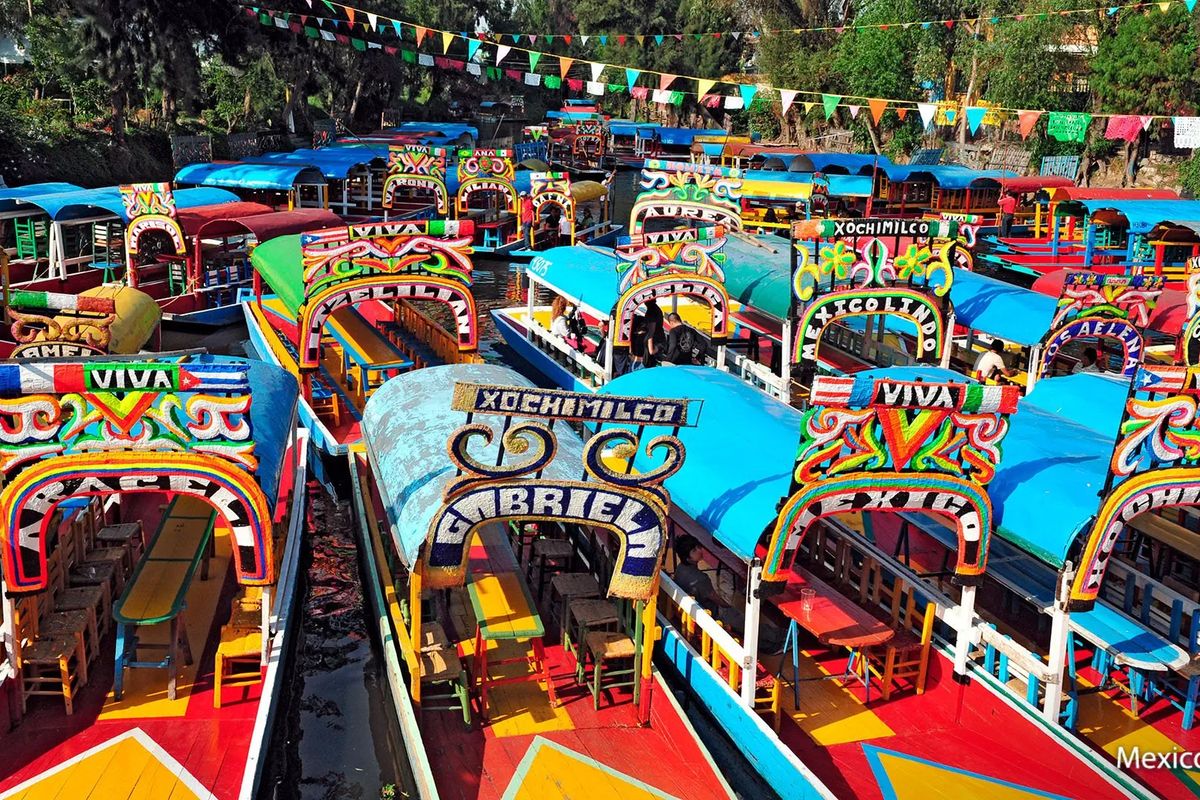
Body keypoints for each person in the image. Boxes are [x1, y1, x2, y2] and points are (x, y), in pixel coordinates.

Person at [672, 534, 727, 616]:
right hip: (705, 614)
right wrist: (729, 607)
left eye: (698, 547)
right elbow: (717, 600)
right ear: (688, 558)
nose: (700, 551)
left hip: (683, 609)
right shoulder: (701, 579)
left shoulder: (680, 568)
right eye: (694, 550)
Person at [641, 301, 666, 367]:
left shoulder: (651, 310)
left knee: (651, 362)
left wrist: (649, 339)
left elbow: (652, 328)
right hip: (658, 338)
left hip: (654, 340)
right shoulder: (656, 308)